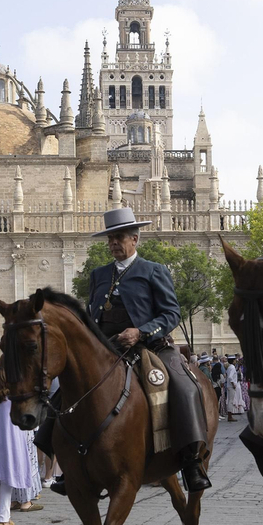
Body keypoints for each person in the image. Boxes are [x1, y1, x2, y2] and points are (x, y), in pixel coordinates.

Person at [86, 206, 213, 493]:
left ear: (135, 239)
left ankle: (191, 460)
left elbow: (171, 314)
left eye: (119, 237)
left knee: (185, 386)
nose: (114, 243)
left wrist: (141, 331)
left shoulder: (154, 271)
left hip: (151, 347)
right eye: (110, 239)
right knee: (68, 387)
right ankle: (65, 457)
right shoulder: (98, 275)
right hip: (107, 350)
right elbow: (91, 314)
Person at [0, 372, 39, 525]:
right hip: (12, 442)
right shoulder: (12, 400)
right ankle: (3, 519)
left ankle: (5, 517)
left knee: (2, 479)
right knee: (7, 478)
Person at [221, 356, 246, 422]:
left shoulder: (229, 367)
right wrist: (233, 384)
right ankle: (230, 415)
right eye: (235, 360)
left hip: (229, 386)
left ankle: (230, 414)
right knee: (231, 401)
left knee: (230, 400)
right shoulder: (232, 367)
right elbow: (230, 377)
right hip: (231, 386)